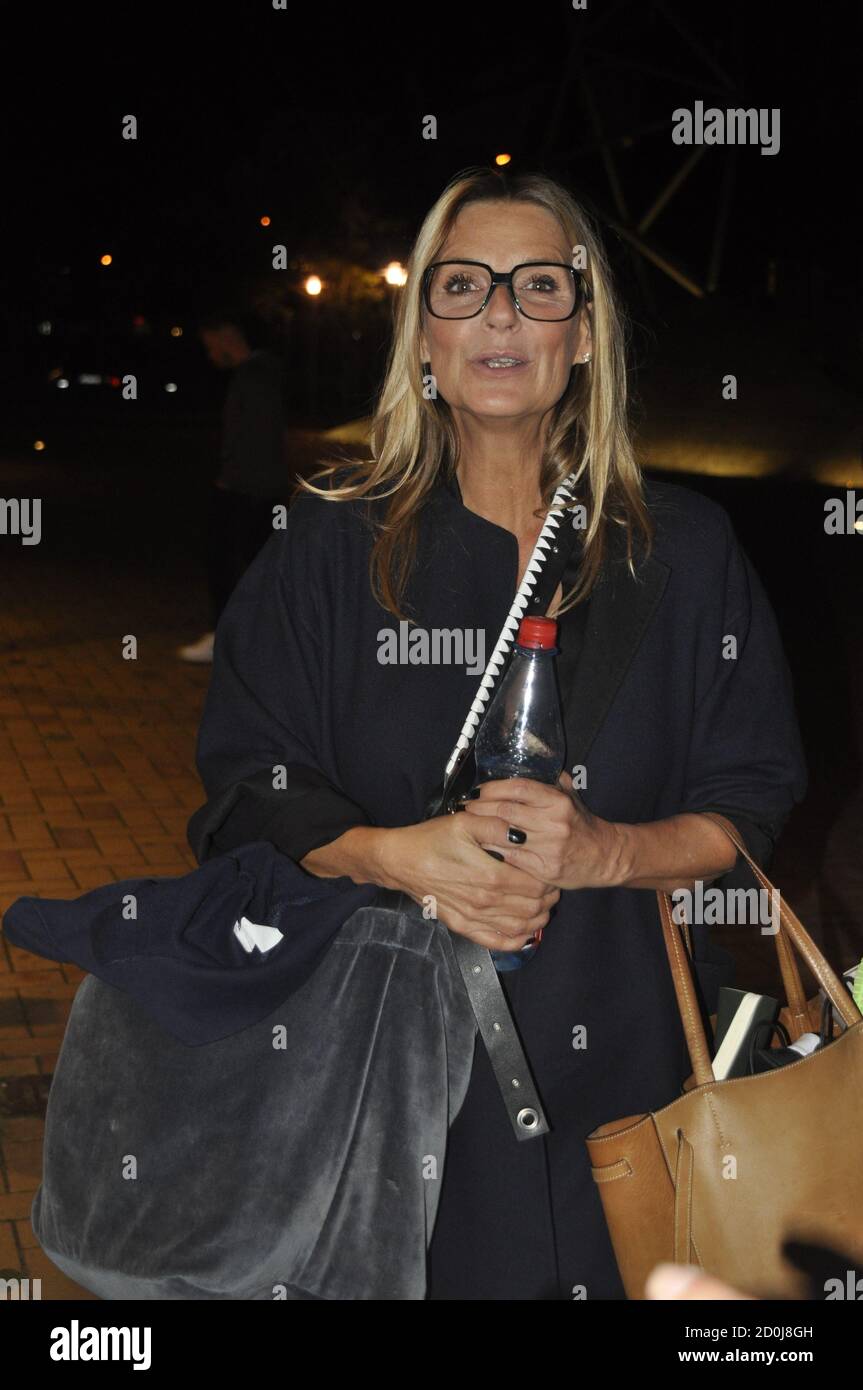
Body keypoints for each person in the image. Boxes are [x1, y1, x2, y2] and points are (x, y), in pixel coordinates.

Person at [187, 166, 808, 1299]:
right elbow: (243, 788)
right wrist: (395, 854)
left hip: (632, 1083)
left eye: (537, 288)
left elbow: (750, 806)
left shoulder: (682, 551)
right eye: (464, 286)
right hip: (388, 1091)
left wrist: (604, 851)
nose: (502, 316)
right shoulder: (330, 547)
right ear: (423, 334)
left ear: (582, 335)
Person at [178, 311, 289, 663]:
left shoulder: (256, 375)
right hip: (257, 488)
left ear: (227, 334)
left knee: (226, 561)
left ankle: (225, 638)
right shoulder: (259, 373)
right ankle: (258, 640)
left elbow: (256, 437)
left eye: (210, 343)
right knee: (253, 564)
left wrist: (233, 480)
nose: (209, 352)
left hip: (249, 489)